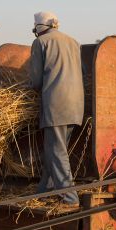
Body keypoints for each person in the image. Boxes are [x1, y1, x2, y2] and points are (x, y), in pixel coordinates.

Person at [29, 11, 84, 211]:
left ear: (39, 27)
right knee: (54, 150)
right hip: (76, 105)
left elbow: (35, 81)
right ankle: (45, 192)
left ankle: (70, 198)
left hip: (56, 104)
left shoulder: (41, 42)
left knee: (56, 150)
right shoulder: (73, 42)